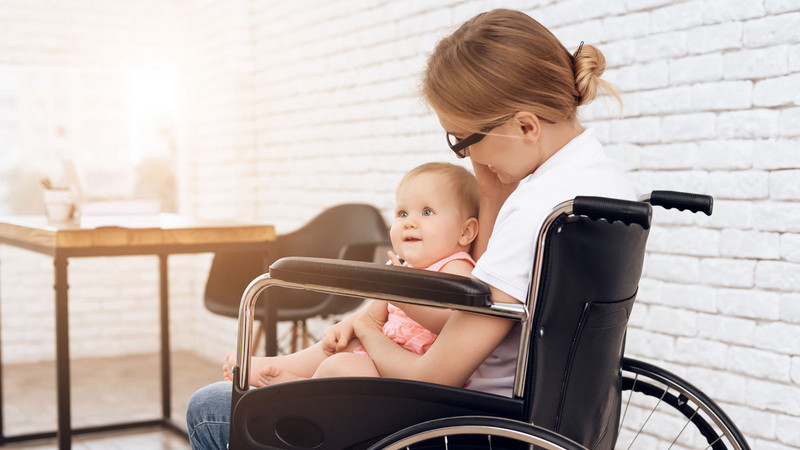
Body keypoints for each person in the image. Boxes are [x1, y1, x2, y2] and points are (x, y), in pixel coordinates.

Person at [186, 9, 635, 449]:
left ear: (524, 125)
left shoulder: (536, 209)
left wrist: (368, 330)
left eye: (464, 140)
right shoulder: (604, 183)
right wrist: (490, 179)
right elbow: (477, 270)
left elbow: (434, 375)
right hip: (549, 419)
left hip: (466, 421)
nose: (463, 157)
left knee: (210, 407)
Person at [221, 161, 480, 387]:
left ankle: (300, 387)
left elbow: (454, 322)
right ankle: (276, 366)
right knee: (337, 347)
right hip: (383, 353)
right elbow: (370, 315)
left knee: (342, 367)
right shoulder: (404, 268)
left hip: (407, 369)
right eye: (402, 213)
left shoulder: (456, 266)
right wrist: (346, 325)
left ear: (465, 232)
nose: (409, 222)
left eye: (427, 212)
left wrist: (403, 298)